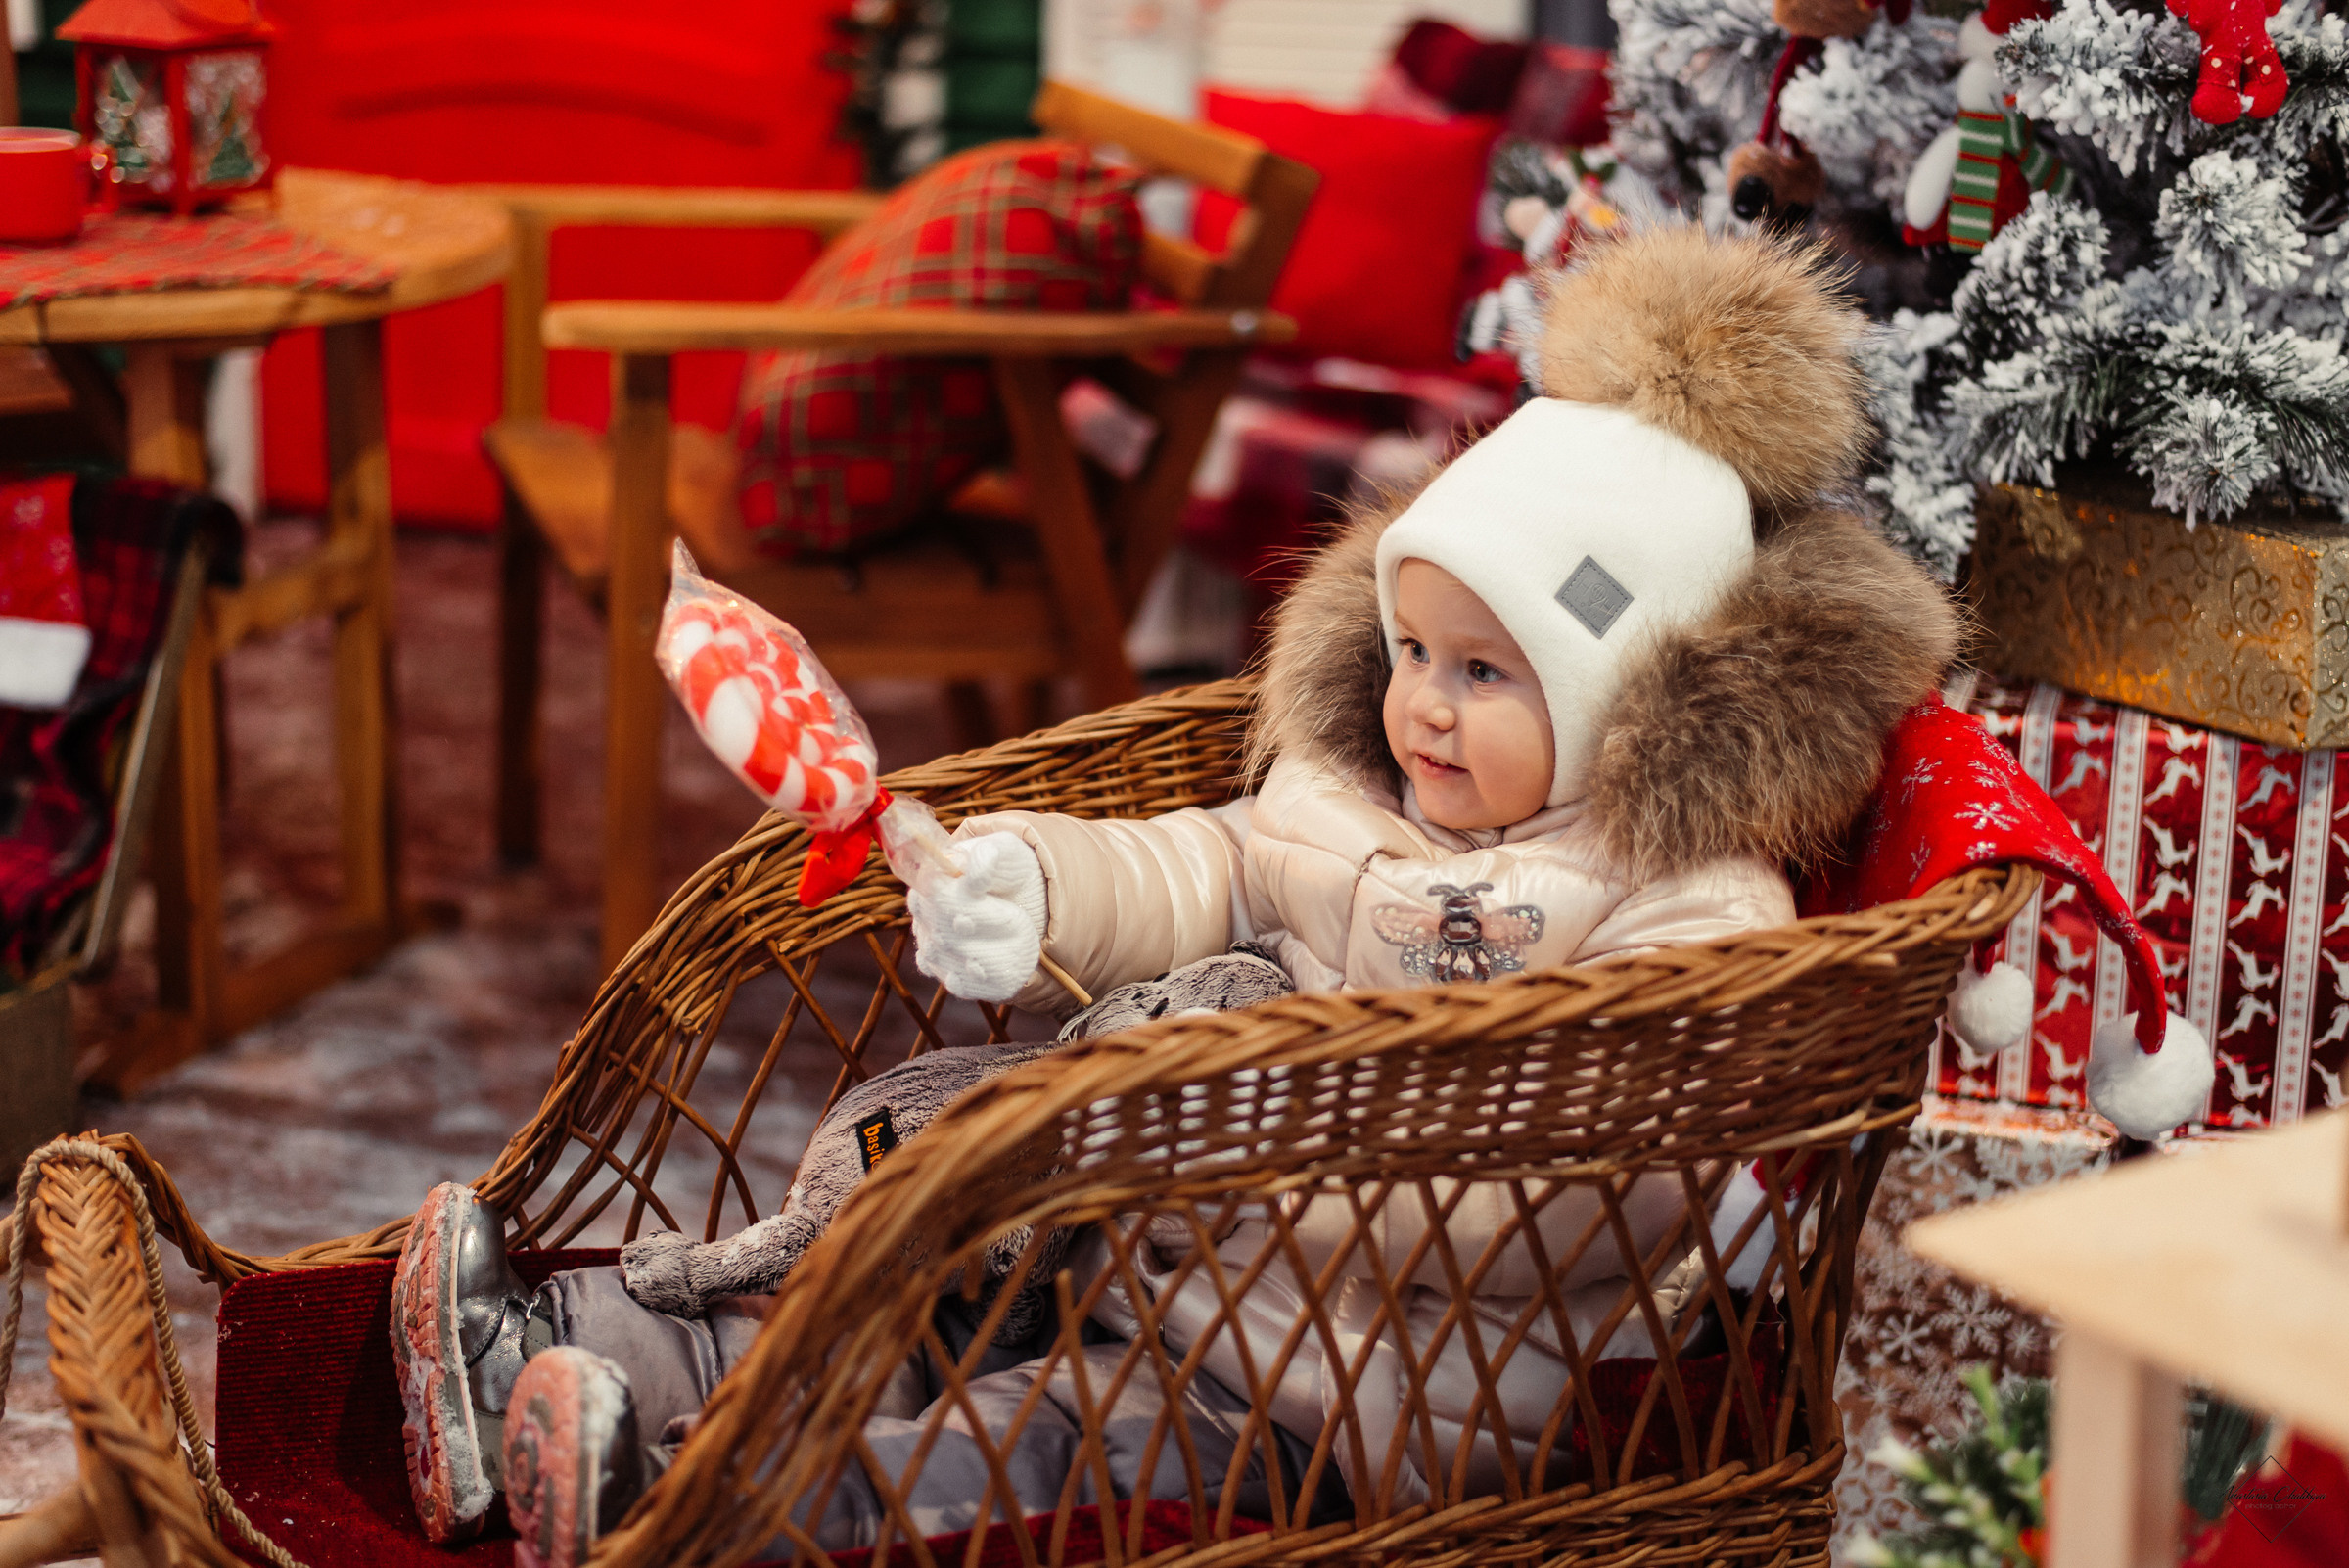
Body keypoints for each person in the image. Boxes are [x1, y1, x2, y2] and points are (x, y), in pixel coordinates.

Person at [391, 222, 1960, 1568]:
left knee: (1005, 1458)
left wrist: (1234, 1121)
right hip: (1131, 1250)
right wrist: (1034, 884)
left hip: (1330, 1396)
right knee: (889, 1264)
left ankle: (680, 1511)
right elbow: (1207, 861)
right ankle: (558, 1363)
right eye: (1412, 651)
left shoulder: (1682, 903)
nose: (1421, 706)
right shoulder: (1362, 788)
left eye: (1486, 674)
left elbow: (1574, 1177)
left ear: (1626, 690)